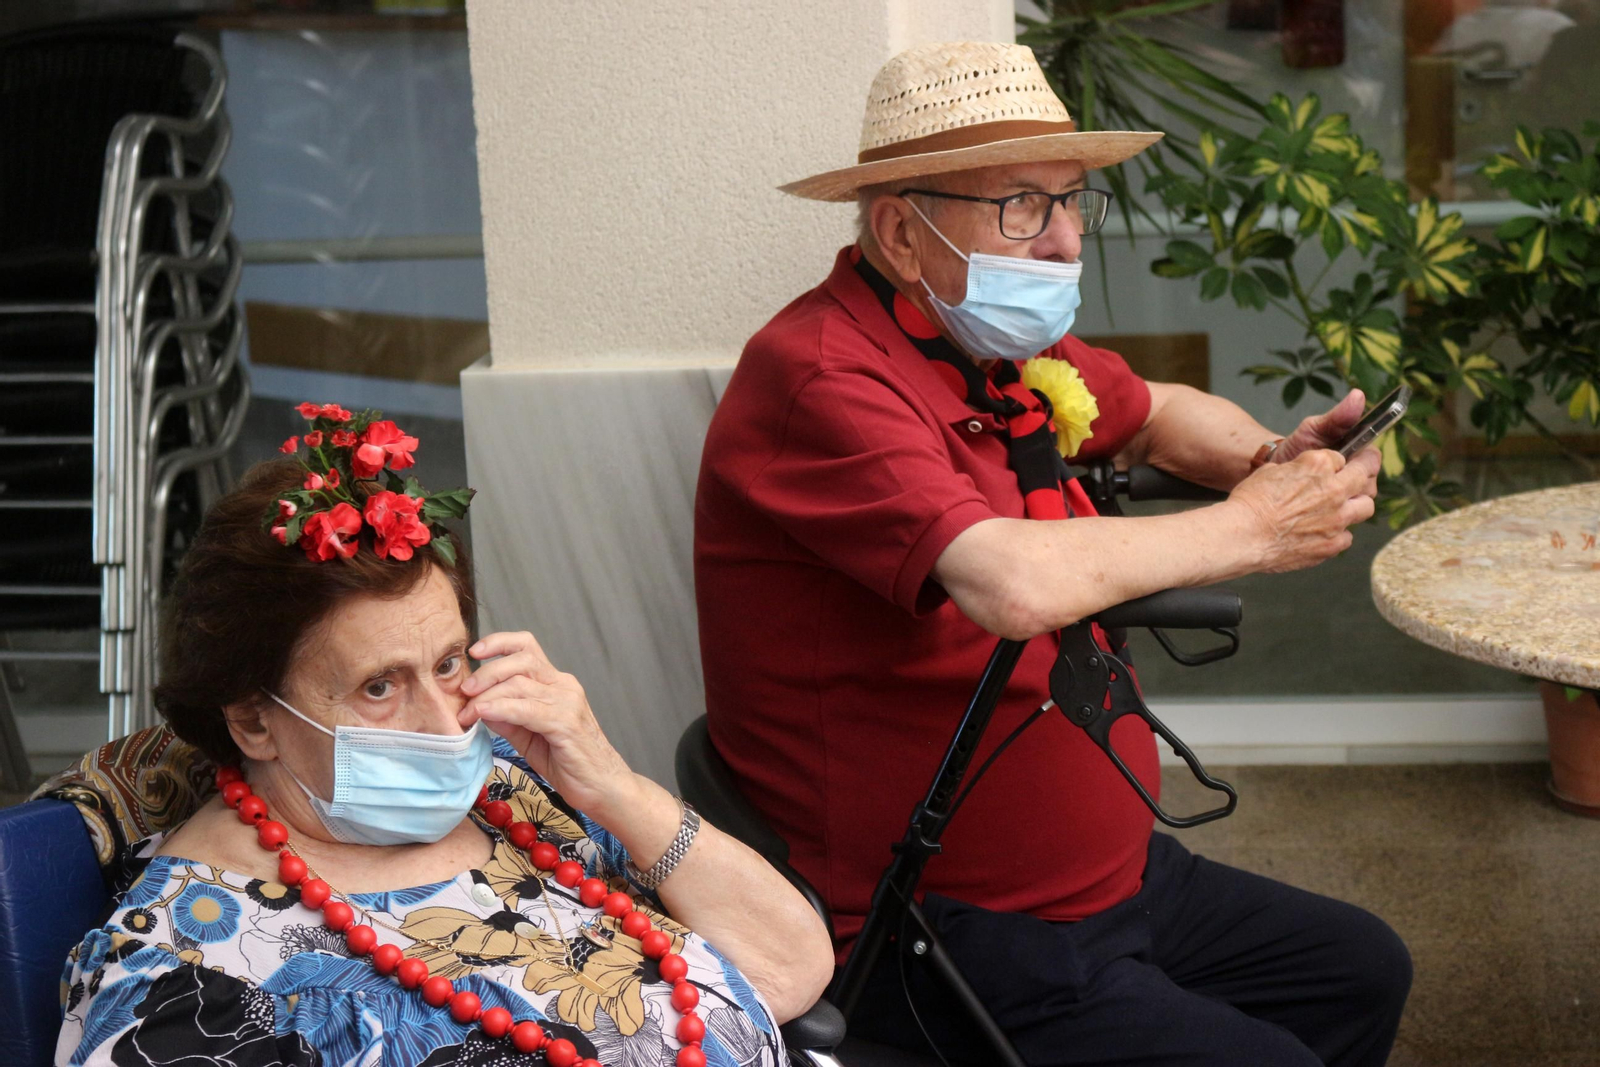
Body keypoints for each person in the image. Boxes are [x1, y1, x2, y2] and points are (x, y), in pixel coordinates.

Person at [694, 41, 1410, 1067]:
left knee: (1360, 968)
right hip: (943, 926)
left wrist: (1267, 456)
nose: (1065, 242)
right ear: (901, 230)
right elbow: (1010, 579)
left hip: (1106, 882)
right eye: (1024, 205)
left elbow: (1157, 411)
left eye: (1073, 202)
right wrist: (1253, 526)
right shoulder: (817, 378)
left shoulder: (992, 344)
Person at [56, 405, 834, 1067]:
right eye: (380, 685)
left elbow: (792, 965)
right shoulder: (182, 972)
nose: (445, 719)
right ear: (256, 719)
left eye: (450, 661)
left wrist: (613, 785)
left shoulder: (512, 791)